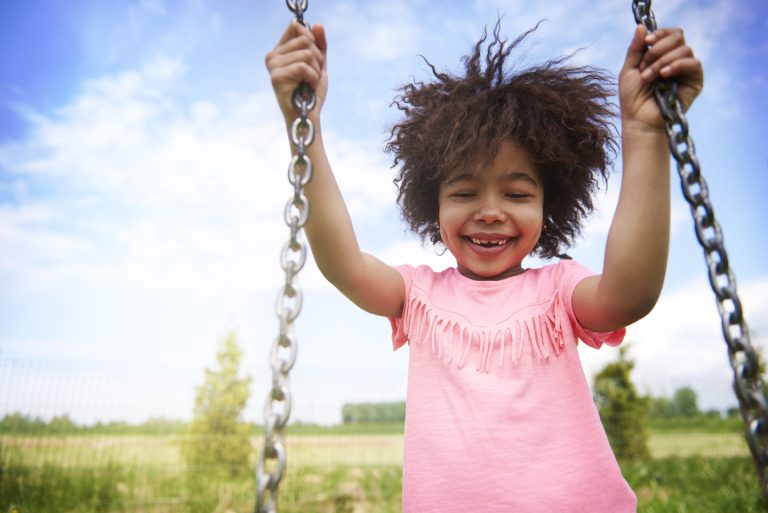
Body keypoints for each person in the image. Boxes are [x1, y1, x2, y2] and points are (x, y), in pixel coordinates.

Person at [266, 16, 703, 513]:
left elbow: (630, 296)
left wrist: (645, 133)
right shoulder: (419, 296)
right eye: (464, 192)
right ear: (432, 204)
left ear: (549, 204)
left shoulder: (558, 290)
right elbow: (343, 262)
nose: (491, 210)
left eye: (517, 193)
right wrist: (306, 127)